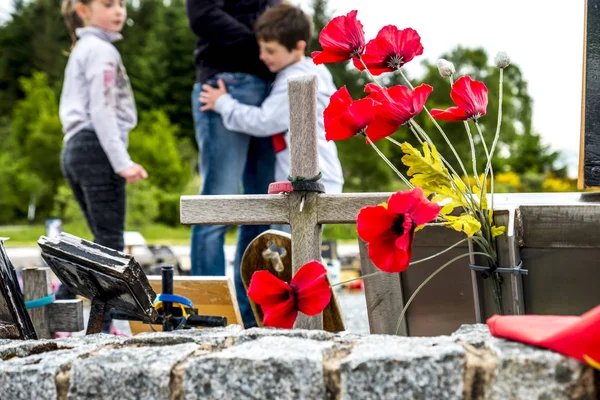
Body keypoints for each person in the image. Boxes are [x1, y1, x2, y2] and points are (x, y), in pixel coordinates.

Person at [186, 0, 280, 328]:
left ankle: (250, 314)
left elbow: (280, 19)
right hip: (223, 81)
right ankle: (207, 315)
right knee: (217, 204)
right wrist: (259, 41)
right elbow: (201, 14)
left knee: (260, 208)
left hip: (268, 88)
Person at [59, 0, 147, 334]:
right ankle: (100, 328)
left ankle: (62, 301)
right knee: (110, 243)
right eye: (108, 4)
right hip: (95, 146)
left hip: (75, 147)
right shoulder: (100, 51)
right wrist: (121, 161)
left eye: (122, 4)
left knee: (100, 240)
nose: (119, 10)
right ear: (83, 9)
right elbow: (102, 108)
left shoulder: (85, 47)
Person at [199, 3, 344, 197]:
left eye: (271, 51)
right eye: (261, 49)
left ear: (298, 47)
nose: (262, 56)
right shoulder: (317, 70)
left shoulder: (294, 81)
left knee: (286, 228)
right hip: (325, 173)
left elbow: (264, 121)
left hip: (307, 182)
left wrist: (223, 103)